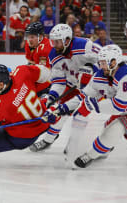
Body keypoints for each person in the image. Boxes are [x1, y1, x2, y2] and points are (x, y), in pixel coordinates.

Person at [54, 44, 127, 168]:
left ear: (114, 62)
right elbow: (83, 96)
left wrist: (95, 105)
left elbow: (118, 106)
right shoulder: (101, 76)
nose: (101, 66)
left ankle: (89, 156)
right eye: (100, 62)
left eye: (104, 63)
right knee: (107, 129)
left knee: (116, 129)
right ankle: (102, 151)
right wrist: (62, 108)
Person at [29, 24, 101, 152]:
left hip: (95, 86)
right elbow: (59, 81)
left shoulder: (85, 45)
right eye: (52, 41)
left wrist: (91, 70)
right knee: (60, 111)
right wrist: (52, 96)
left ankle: (76, 143)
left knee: (80, 114)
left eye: (57, 41)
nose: (54, 44)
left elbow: (104, 59)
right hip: (72, 85)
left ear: (67, 40)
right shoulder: (54, 55)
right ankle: (48, 139)